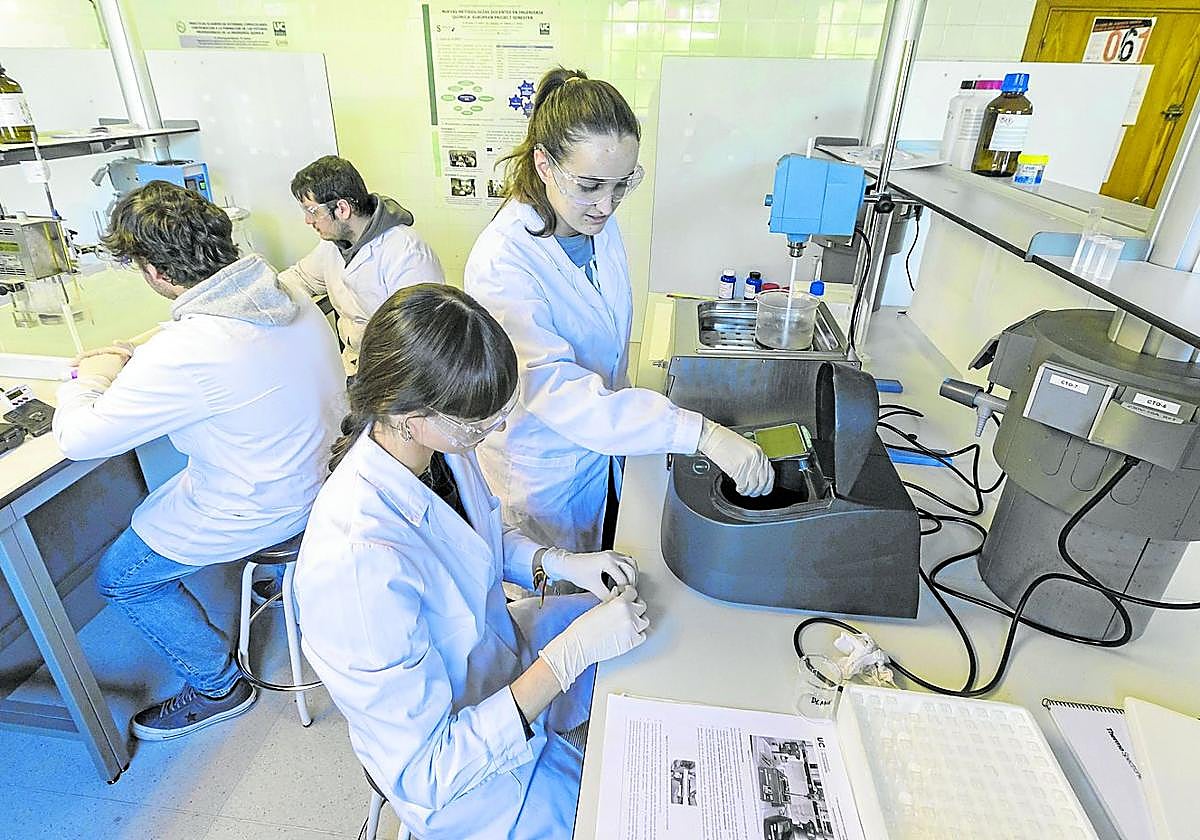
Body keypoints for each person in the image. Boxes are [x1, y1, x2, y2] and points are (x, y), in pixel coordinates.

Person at [294, 284, 649, 839]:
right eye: (479, 424)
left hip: (495, 656)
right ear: (412, 414)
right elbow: (427, 774)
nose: (494, 432)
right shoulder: (355, 563)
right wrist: (564, 660)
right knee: (624, 811)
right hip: (469, 780)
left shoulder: (435, 454)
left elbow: (476, 539)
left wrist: (557, 562)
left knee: (642, 632)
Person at [52, 181, 346, 740]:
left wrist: (86, 380)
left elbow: (79, 438)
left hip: (265, 503)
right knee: (175, 486)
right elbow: (205, 344)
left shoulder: (186, 353)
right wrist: (141, 351)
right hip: (321, 479)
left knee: (122, 578)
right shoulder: (284, 294)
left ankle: (216, 686)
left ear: (155, 273)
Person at [465, 67, 774, 553]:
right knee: (555, 604)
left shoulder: (592, 223)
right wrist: (701, 434)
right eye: (590, 185)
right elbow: (556, 389)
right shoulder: (502, 261)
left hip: (599, 450)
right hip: (547, 470)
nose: (607, 206)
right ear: (544, 165)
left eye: (621, 185)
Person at [280, 155, 444, 370]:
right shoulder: (333, 245)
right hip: (353, 361)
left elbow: (419, 340)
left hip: (395, 370)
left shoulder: (407, 254)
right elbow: (300, 278)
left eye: (312, 211)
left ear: (342, 208)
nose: (308, 221)